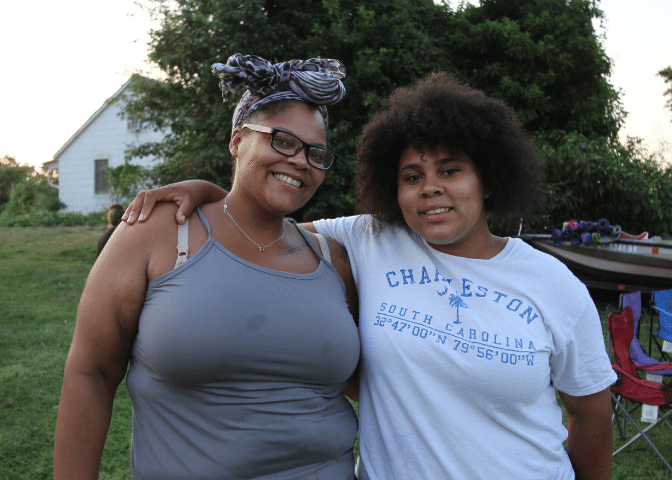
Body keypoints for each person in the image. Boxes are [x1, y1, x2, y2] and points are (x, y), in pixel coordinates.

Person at [124, 72, 616, 480]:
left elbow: (591, 417)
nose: (431, 189)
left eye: (451, 171)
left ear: (488, 180)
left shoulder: (553, 284)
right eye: (412, 176)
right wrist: (208, 189)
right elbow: (260, 216)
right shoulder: (369, 239)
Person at [54, 53, 360, 480]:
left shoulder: (332, 258)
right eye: (283, 141)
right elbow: (92, 372)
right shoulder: (158, 233)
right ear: (237, 141)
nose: (300, 161)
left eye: (316, 154)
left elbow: (377, 384)